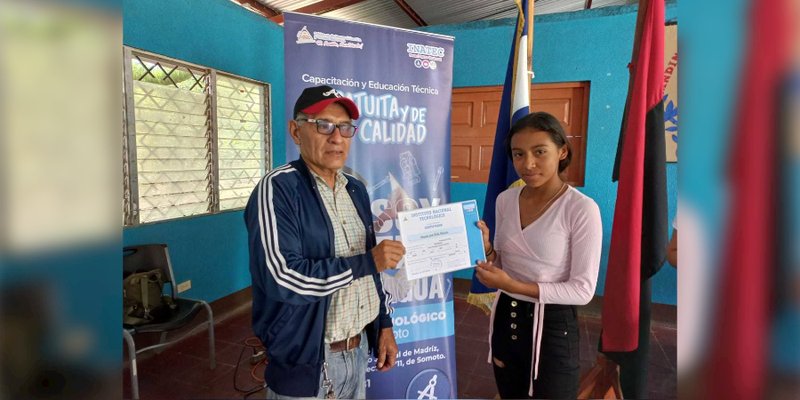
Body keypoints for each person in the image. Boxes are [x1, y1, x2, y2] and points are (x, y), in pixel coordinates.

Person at [244, 85, 406, 399]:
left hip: (357, 350)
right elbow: (282, 278)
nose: (336, 137)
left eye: (345, 128)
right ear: (295, 130)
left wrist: (384, 324)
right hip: (307, 361)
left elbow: (370, 272)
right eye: (323, 125)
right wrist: (368, 261)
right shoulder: (278, 189)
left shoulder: (355, 189)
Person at [475, 112, 603, 399]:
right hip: (507, 320)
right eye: (518, 154)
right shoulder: (505, 200)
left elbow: (583, 291)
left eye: (539, 152)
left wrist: (512, 286)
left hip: (553, 327)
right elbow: (504, 262)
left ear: (562, 151)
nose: (527, 164)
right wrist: (487, 250)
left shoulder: (581, 209)